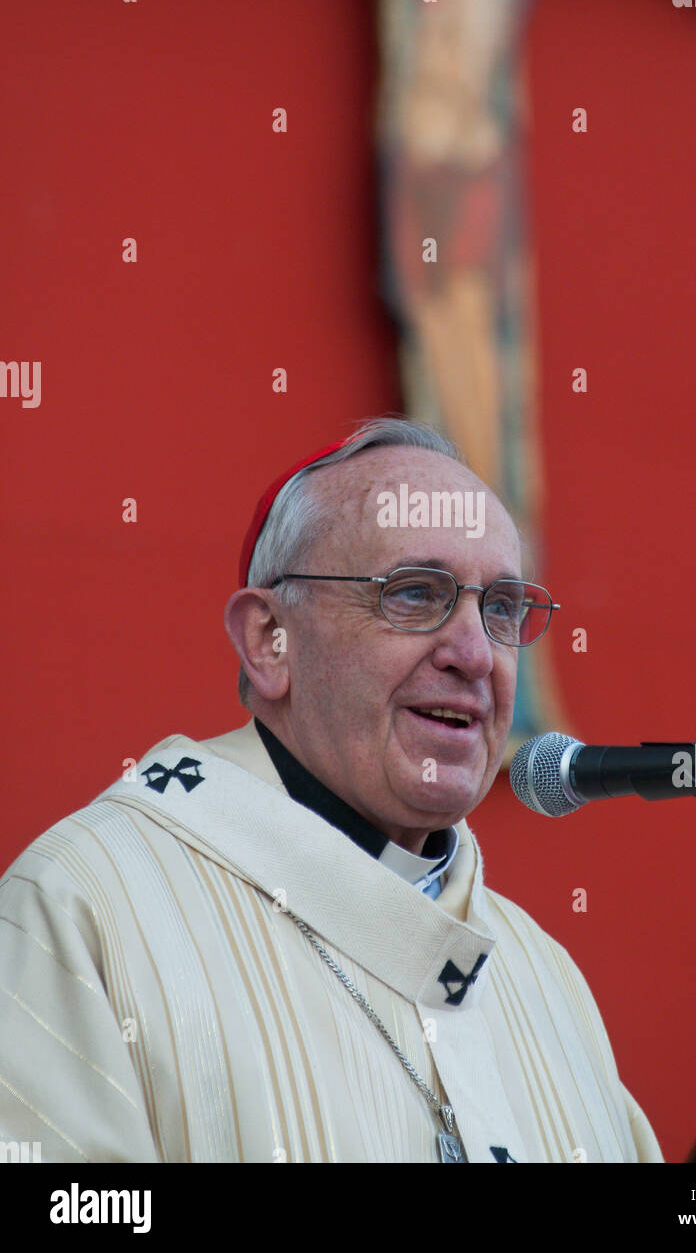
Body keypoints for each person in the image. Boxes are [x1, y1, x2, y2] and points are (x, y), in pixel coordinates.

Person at [0, 415, 661, 1163]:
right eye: (415, 593)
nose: (476, 654)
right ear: (267, 642)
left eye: (503, 607)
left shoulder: (543, 978)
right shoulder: (86, 908)